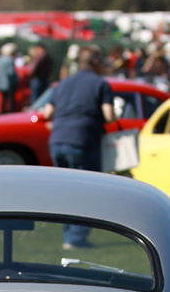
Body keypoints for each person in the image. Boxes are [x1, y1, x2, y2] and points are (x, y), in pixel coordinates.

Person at [40, 46, 115, 248]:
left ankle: (68, 235)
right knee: (86, 191)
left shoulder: (63, 83)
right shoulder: (101, 84)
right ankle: (75, 238)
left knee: (66, 191)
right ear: (96, 62)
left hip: (57, 140)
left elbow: (47, 113)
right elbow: (109, 115)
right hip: (83, 140)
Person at [0, 43, 18, 113]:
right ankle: (10, 113)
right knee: (10, 100)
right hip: (8, 84)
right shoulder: (9, 60)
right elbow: (11, 73)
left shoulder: (0, 59)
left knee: (3, 100)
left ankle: (2, 112)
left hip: (0, 83)